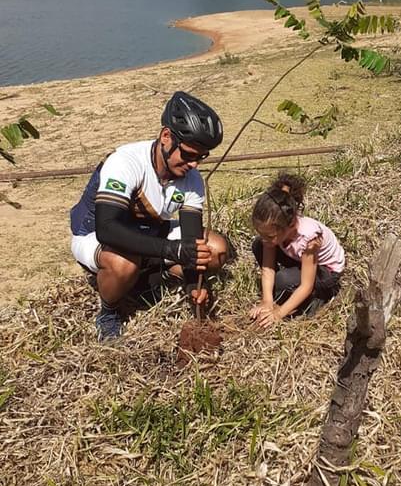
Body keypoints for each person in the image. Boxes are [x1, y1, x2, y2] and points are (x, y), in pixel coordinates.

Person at [70, 91, 227, 342]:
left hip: (150, 231)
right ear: (166, 137)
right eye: (187, 154)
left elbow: (191, 241)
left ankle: (151, 278)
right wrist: (171, 250)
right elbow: (107, 228)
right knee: (124, 264)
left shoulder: (192, 179)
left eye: (201, 157)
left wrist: (193, 284)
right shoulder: (126, 162)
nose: (194, 165)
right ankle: (109, 312)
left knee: (215, 249)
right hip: (95, 235)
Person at [250, 173, 344, 328]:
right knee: (258, 245)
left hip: (325, 271)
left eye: (270, 236)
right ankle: (286, 292)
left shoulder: (309, 240)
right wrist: (267, 301)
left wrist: (278, 313)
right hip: (299, 258)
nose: (266, 239)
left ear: (291, 224)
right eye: (262, 234)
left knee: (283, 280)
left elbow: (306, 285)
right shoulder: (276, 232)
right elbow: (267, 267)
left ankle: (316, 299)